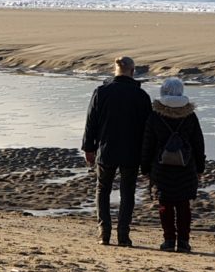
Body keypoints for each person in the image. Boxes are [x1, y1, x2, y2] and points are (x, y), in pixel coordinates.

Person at [82, 56, 152, 246]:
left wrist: (88, 148)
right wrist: (148, 157)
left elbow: (91, 123)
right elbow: (149, 129)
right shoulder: (141, 96)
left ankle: (104, 232)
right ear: (132, 70)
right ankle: (123, 235)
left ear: (115, 70)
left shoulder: (102, 92)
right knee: (127, 192)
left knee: (102, 189)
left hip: (106, 150)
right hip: (131, 151)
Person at [140, 77, 205, 253]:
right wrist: (200, 168)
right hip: (186, 166)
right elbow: (199, 143)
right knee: (184, 205)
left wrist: (144, 168)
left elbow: (147, 144)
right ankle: (183, 242)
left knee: (165, 205)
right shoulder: (190, 115)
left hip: (161, 168)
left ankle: (169, 240)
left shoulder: (155, 115)